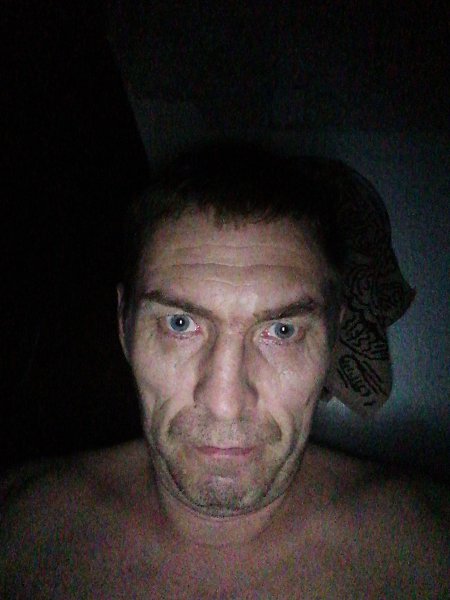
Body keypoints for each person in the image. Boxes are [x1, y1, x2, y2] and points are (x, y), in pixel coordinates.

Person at [1, 142, 448, 599]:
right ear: (123, 327)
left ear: (334, 338)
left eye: (282, 330)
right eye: (180, 324)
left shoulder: (429, 548)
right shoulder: (19, 529)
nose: (225, 403)